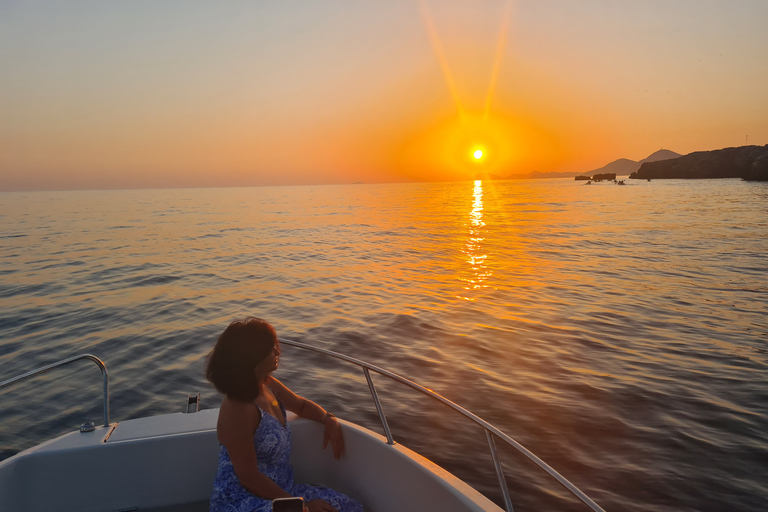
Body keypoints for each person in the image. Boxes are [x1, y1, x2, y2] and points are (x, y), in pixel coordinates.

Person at [206, 317, 364, 512]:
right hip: (242, 500)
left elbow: (301, 405)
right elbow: (248, 476)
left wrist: (327, 418)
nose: (277, 352)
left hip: (283, 491)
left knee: (351, 508)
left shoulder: (267, 385)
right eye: (270, 349)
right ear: (253, 358)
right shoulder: (237, 408)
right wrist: (302, 506)